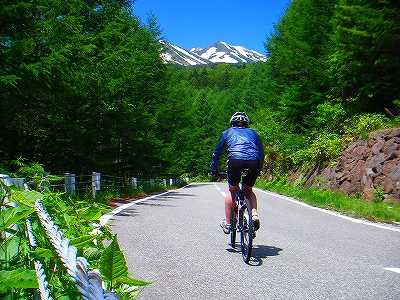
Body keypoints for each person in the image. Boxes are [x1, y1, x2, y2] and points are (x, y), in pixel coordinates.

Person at [210, 112, 264, 234]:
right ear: (247, 124)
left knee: (232, 191)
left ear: (231, 124)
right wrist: (258, 169)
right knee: (248, 190)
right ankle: (254, 213)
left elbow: (217, 153)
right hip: (253, 161)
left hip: (235, 161)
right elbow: (261, 153)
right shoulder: (254, 133)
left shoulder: (227, 133)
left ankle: (228, 224)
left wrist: (214, 169)